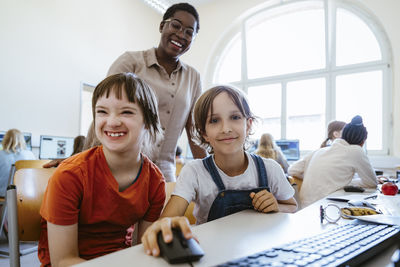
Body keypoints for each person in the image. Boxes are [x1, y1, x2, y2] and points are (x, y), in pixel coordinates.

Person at [141, 85, 297, 257]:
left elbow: (292, 207)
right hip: (210, 255)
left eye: (235, 117)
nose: (226, 128)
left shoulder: (270, 169)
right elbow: (167, 221)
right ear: (203, 133)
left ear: (248, 124)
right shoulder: (194, 171)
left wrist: (276, 207)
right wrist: (166, 224)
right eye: (214, 121)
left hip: (260, 252)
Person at [38, 73, 166, 266]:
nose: (112, 122)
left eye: (127, 112)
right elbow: (63, 261)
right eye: (102, 112)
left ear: (148, 120)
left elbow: (142, 249)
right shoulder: (70, 175)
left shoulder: (155, 181)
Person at [107, 3, 207, 182]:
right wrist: (80, 158)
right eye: (176, 25)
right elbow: (105, 113)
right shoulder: (130, 62)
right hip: (121, 168)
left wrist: (214, 174)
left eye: (189, 32)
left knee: (170, 211)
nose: (181, 35)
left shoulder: (193, 77)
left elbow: (194, 132)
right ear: (162, 26)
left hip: (164, 174)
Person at [288, 115, 377, 208]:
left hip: (306, 207)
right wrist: (347, 182)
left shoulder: (319, 151)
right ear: (362, 142)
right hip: (327, 207)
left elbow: (291, 170)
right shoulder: (356, 150)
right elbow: (372, 183)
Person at [0, 129, 35, 197]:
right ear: (22, 141)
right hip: (25, 195)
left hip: (3, 194)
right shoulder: (30, 155)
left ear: (5, 140)